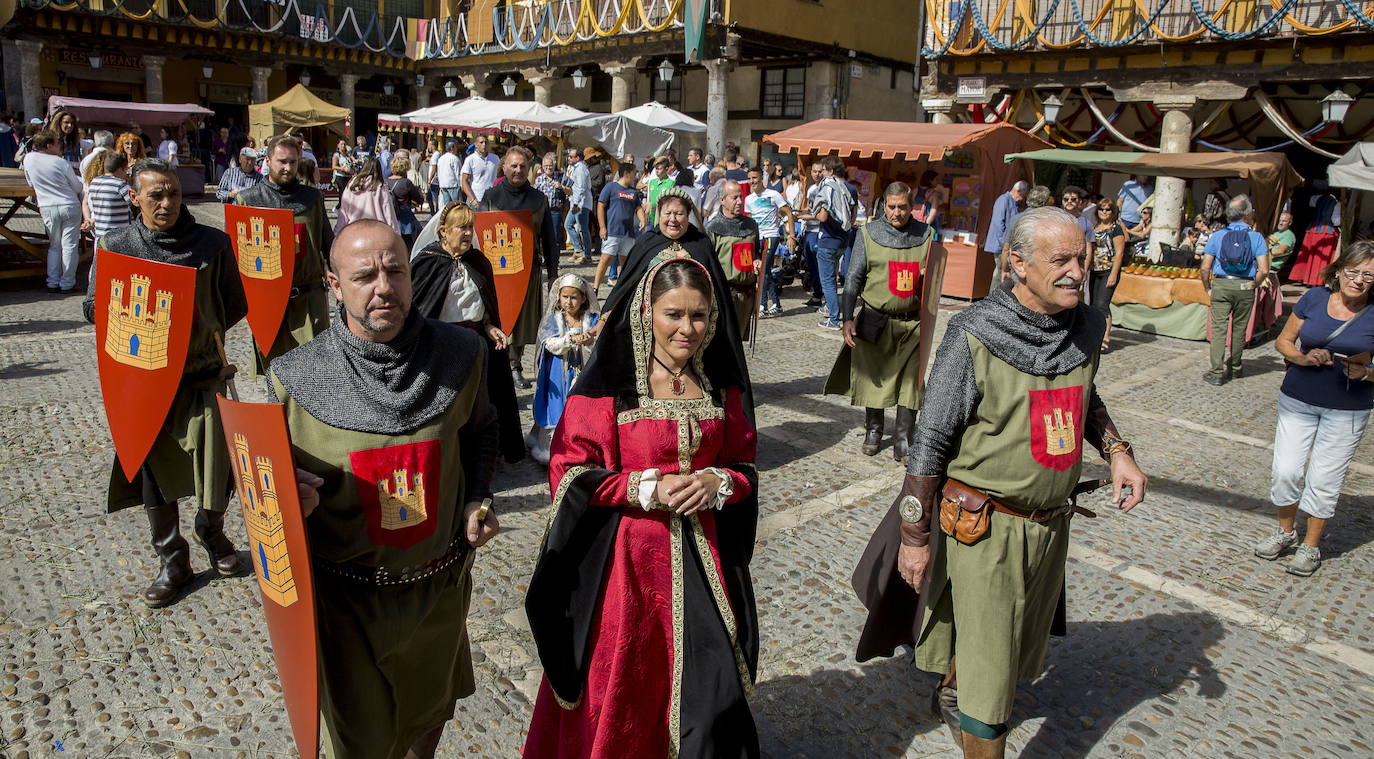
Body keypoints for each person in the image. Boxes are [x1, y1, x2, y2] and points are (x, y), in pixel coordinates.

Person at [853, 206, 1147, 759]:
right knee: (994, 689)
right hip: (983, 529)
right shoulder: (975, 334)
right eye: (1060, 260)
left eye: (1081, 258)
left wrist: (1117, 451)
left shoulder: (1083, 325)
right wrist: (914, 540)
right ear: (1016, 263)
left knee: (1005, 642)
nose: (1077, 271)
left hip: (1050, 527)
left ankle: (953, 687)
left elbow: (1083, 397)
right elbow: (931, 442)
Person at [269, 219, 500, 759]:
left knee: (429, 717)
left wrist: (477, 496)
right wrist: (286, 502)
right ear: (333, 284)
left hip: (435, 589)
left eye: (395, 271)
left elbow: (480, 430)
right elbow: (263, 494)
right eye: (364, 275)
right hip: (344, 604)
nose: (383, 288)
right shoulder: (293, 377)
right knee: (363, 743)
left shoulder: (461, 356)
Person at [523, 255, 760, 759]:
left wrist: (718, 481)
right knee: (625, 684)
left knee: (711, 686)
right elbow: (569, 470)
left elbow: (744, 464)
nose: (687, 329)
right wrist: (640, 489)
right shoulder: (611, 388)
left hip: (704, 560)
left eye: (698, 316)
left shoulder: (722, 386)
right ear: (646, 312)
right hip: (625, 571)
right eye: (673, 314)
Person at [81, 158, 249, 607]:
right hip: (147, 379)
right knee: (154, 470)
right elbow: (94, 309)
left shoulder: (212, 244)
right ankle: (172, 559)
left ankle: (211, 531)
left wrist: (198, 338)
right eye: (155, 194)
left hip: (202, 375)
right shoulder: (117, 247)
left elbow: (235, 303)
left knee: (219, 467)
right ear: (134, 198)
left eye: (173, 193)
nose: (166, 203)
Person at [1256, 241, 1374, 576]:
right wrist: (1302, 358)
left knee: (1324, 479)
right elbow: (1284, 341)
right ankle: (1285, 531)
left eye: (1369, 275)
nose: (1359, 280)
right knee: (1286, 471)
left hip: (1348, 408)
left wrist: (1366, 372)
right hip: (1298, 398)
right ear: (1338, 270)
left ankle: (1310, 547)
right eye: (1353, 271)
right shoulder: (1315, 298)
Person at [825, 182, 936, 460]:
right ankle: (873, 429)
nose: (897, 212)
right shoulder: (868, 233)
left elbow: (935, 280)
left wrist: (927, 276)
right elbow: (853, 278)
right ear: (883, 205)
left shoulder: (927, 235)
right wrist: (847, 318)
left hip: (911, 323)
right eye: (891, 206)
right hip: (875, 318)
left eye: (903, 207)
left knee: (910, 383)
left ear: (913, 208)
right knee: (873, 379)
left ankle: (903, 439)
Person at [410, 201, 525, 465]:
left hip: (475, 343)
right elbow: (419, 311)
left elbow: (483, 307)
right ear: (443, 231)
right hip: (441, 346)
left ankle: (480, 458)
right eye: (461, 227)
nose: (467, 233)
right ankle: (449, 460)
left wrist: (490, 326)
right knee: (446, 405)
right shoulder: (427, 263)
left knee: (479, 404)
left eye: (470, 227)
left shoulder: (477, 261)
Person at [235, 134, 331, 364]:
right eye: (282, 161)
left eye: (293, 162)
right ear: (267, 161)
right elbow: (239, 258)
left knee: (315, 371)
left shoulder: (312, 198)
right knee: (276, 376)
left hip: (309, 298)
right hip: (268, 301)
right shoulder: (248, 200)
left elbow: (328, 243)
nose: (288, 168)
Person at [478, 146, 560, 390]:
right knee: (496, 317)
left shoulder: (539, 200)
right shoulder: (490, 197)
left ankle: (515, 365)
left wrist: (552, 273)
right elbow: (480, 234)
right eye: (513, 165)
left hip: (527, 271)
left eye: (522, 166)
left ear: (529, 170)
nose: (518, 170)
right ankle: (499, 363)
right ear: (504, 167)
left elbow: (549, 238)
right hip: (496, 271)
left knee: (520, 321)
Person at [528, 274, 599, 464]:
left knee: (584, 412)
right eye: (565, 297)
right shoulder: (554, 320)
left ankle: (583, 449)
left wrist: (589, 341)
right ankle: (553, 449)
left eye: (574, 297)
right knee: (559, 410)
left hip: (584, 374)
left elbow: (602, 344)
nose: (569, 302)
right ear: (558, 297)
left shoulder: (592, 320)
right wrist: (568, 341)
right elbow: (548, 343)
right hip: (559, 374)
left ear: (583, 298)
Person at [1201, 195, 1269, 385]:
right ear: (1247, 214)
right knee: (1239, 329)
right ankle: (1236, 367)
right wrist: (1252, 285)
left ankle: (1216, 372)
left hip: (1222, 284)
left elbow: (1205, 267)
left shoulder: (1218, 235)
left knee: (1219, 330)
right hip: (1245, 284)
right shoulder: (1256, 237)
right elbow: (1264, 269)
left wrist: (1207, 287)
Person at [22, 130, 84, 295]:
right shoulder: (60, 162)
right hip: (68, 204)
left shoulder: (28, 159)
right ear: (49, 146)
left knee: (54, 246)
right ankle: (67, 283)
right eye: (57, 142)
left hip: (47, 206)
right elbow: (78, 187)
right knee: (69, 245)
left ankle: (53, 282)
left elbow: (30, 182)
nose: (60, 145)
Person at [706, 180, 759, 341]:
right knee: (721, 341)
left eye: (741, 197)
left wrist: (757, 261)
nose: (740, 201)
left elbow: (756, 253)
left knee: (737, 342)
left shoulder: (751, 225)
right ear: (722, 200)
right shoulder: (713, 228)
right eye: (734, 198)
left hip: (746, 295)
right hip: (724, 294)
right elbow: (708, 264)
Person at [745, 166, 796, 317]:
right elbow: (749, 220)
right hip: (757, 238)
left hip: (771, 236)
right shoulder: (749, 199)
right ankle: (776, 304)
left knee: (763, 271)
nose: (752, 181)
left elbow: (788, 212)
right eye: (749, 178)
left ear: (762, 178)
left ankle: (762, 305)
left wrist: (791, 236)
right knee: (764, 271)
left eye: (754, 178)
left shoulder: (773, 194)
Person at [813, 156, 856, 329]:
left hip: (828, 240)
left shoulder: (828, 188)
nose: (821, 173)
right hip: (843, 240)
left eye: (823, 170)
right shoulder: (851, 188)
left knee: (828, 282)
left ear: (830, 171)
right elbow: (852, 218)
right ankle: (830, 308)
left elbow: (822, 216)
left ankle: (833, 318)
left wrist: (813, 212)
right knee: (835, 278)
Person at [594, 163, 645, 293]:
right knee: (605, 259)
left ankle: (623, 289)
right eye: (634, 174)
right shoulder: (611, 187)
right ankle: (595, 288)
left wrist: (643, 219)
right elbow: (600, 206)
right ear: (626, 173)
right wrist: (602, 227)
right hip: (612, 231)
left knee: (626, 263)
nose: (635, 178)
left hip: (628, 233)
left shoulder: (633, 192)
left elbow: (638, 207)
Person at [1088, 198, 1127, 351]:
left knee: (1102, 304)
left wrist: (1114, 274)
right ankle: (1095, 334)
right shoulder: (1095, 227)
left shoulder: (1115, 229)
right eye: (1102, 209)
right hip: (1094, 269)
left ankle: (1105, 337)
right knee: (1093, 305)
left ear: (1113, 212)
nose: (1104, 212)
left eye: (1108, 209)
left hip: (1108, 270)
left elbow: (1120, 252)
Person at [1290, 181, 1342, 287]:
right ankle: (1316, 280)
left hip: (1312, 230)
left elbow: (1312, 209)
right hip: (1326, 232)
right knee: (1320, 258)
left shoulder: (1316, 198)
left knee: (1310, 255)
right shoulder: (1336, 203)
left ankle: (1306, 279)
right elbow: (1336, 220)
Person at [334, 157, 399, 233]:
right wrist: (396, 235)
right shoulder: (381, 187)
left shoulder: (352, 186)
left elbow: (343, 213)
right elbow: (389, 215)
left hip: (353, 232)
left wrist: (337, 233)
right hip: (377, 233)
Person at [983, 180, 1028, 283]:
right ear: (1018, 191)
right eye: (1023, 196)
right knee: (999, 272)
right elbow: (998, 224)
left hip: (1004, 245)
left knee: (1001, 272)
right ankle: (993, 297)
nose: (1022, 199)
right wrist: (1004, 245)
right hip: (1001, 245)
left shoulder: (1012, 202)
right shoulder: (1003, 200)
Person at [83, 152, 132, 241]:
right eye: (126, 170)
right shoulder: (120, 184)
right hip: (119, 237)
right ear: (120, 169)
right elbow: (135, 202)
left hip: (100, 236)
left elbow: (87, 202)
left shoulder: (94, 182)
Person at [385, 154, 425, 249]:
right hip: (405, 220)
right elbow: (419, 200)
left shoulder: (385, 182)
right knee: (410, 245)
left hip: (390, 217)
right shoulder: (406, 183)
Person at [562, 148, 594, 263]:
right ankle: (578, 250)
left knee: (582, 229)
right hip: (575, 202)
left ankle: (587, 255)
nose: (568, 158)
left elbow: (581, 188)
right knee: (568, 225)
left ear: (577, 158)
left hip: (581, 203)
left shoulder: (581, 169)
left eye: (571, 156)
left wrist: (576, 204)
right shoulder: (575, 168)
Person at [534, 153, 568, 259]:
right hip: (543, 211)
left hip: (555, 211)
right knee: (544, 237)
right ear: (543, 167)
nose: (549, 168)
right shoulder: (539, 180)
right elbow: (535, 194)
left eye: (550, 165)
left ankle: (555, 260)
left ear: (554, 165)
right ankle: (546, 259)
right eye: (546, 166)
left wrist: (561, 187)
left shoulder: (560, 177)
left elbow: (571, 192)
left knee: (556, 237)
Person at [461, 134, 500, 209]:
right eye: (481, 142)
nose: (484, 145)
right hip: (477, 198)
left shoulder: (495, 158)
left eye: (486, 142)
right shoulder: (470, 159)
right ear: (476, 144)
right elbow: (464, 181)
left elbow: (500, 176)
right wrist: (472, 199)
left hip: (492, 199)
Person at [644, 155, 678, 227]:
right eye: (655, 168)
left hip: (662, 219)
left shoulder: (671, 183)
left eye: (659, 168)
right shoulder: (652, 182)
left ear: (666, 169)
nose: (656, 171)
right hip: (651, 218)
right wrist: (646, 213)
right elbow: (650, 201)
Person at [1268, 211, 1297, 276]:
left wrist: (1261, 253)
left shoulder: (1288, 235)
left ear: (1290, 223)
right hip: (1264, 260)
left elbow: (1280, 251)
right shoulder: (1276, 233)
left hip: (1270, 263)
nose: (1280, 223)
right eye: (1280, 220)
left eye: (1284, 221)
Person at [435, 140, 463, 206]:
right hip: (453, 185)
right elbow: (458, 173)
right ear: (452, 148)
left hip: (443, 184)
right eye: (456, 147)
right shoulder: (454, 158)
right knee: (456, 205)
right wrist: (461, 185)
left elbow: (438, 171)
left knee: (447, 205)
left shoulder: (441, 158)